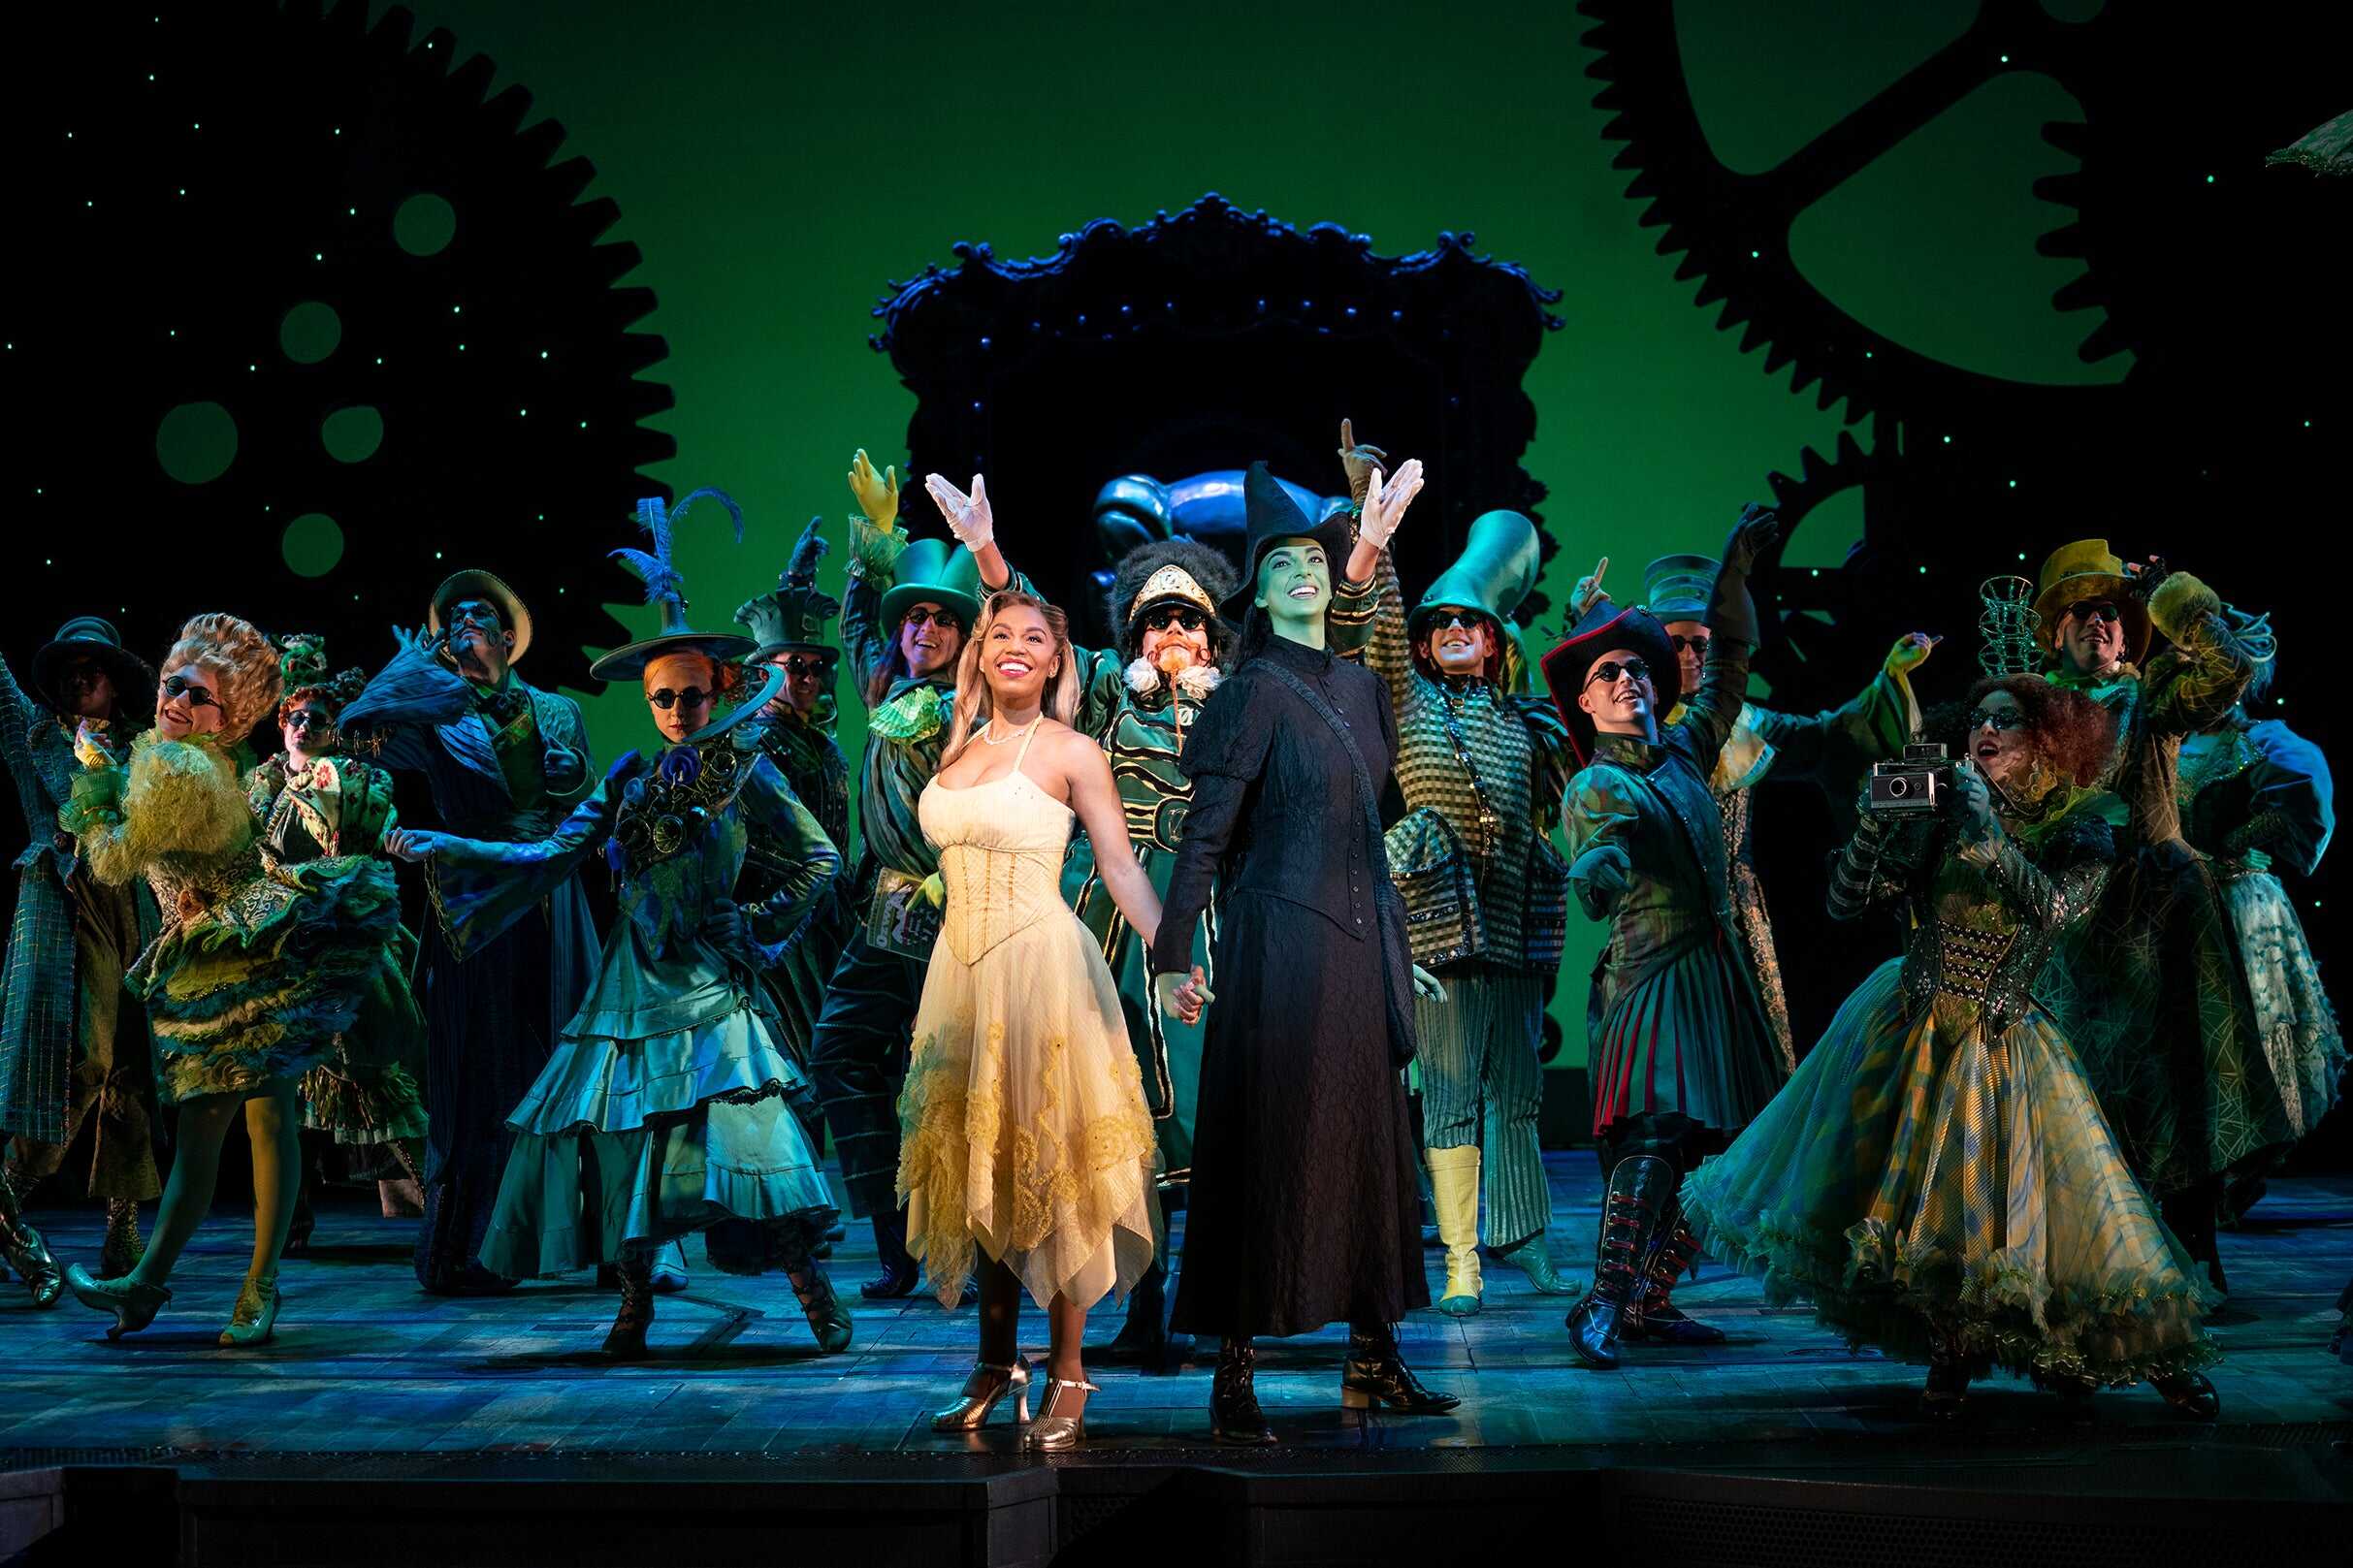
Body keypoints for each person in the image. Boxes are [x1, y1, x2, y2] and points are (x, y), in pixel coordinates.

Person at [1679, 674, 2221, 1418]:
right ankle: (1949, 1348)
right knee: (1907, 1201)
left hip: (2000, 1037)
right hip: (1911, 1020)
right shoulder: (1935, 812)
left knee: (2046, 1211)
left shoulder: (2080, 827)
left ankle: (2155, 1356)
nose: (1986, 731)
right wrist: (1873, 826)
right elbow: (1843, 902)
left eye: (2008, 721)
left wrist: (1988, 830)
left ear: (2048, 743)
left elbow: (2054, 909)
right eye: (1979, 720)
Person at [387, 491, 852, 1358]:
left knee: (748, 1135)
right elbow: (550, 849)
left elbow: (818, 858)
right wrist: (445, 842)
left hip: (709, 982)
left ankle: (808, 1286)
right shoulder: (632, 778)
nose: (676, 710)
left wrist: (758, 925)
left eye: (691, 695)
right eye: (662, 697)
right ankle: (633, 1305)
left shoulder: (745, 770)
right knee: (629, 1145)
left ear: (719, 691)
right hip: (630, 988)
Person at [1149, 462, 1459, 1445]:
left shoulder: (1362, 689)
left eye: (1313, 562)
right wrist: (1171, 953)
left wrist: (1394, 939)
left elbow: (1369, 828)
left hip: (1359, 947)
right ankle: (1233, 1372)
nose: (1301, 573)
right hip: (1276, 949)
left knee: (1369, 1145)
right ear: (1260, 590)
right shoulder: (1249, 692)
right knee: (1265, 1142)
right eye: (1281, 563)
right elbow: (1205, 835)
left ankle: (1373, 1356)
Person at [59, 615, 400, 1345]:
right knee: (223, 1128)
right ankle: (169, 1284)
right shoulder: (177, 756)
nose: (175, 699)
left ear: (227, 715)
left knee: (250, 1122)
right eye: (171, 684)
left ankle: (231, 1286)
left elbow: (113, 858)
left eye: (197, 694)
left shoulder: (181, 769)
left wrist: (92, 778)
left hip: (246, 951)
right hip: (226, 946)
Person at [897, 587, 1178, 1451]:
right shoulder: (956, 744)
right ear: (979, 653)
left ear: (1057, 659)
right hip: (960, 977)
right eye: (999, 635)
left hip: (1042, 971)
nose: (1014, 647)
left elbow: (1121, 867)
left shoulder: (1071, 750)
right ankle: (994, 1362)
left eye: (1034, 637)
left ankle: (1069, 1368)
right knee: (980, 1165)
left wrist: (1171, 954)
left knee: (1052, 1169)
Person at [1328, 431, 1577, 1316]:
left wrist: (1581, 631)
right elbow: (1381, 628)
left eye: (1472, 622)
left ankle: (1526, 1235)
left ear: (1497, 641)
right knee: (1450, 1097)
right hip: (1439, 928)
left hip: (1513, 930)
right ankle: (1463, 1256)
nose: (1456, 632)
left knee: (1520, 1094)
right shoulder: (1408, 699)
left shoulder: (1524, 721)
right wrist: (1374, 519)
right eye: (1443, 626)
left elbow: (1572, 771)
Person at [1538, 505, 1783, 1370]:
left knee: (1735, 1150)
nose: (1627, 679)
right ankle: (1603, 1299)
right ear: (1585, 700)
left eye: (1638, 668)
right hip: (1652, 977)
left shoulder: (1684, 751)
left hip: (1715, 975)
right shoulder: (1597, 785)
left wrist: (1734, 573)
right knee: (1657, 1133)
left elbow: (1730, 667)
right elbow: (1598, 860)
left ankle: (1648, 1296)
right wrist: (1597, 871)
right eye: (1607, 672)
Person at [339, 567, 601, 1296]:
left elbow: (582, 800)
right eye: (451, 621)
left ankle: (596, 1240)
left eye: (478, 618)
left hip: (548, 895)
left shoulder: (555, 711)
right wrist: (410, 670)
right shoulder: (436, 717)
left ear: (509, 637)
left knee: (564, 1054)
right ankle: (474, 1247)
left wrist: (570, 774)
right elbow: (356, 734)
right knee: (478, 1069)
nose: (463, 629)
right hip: (472, 900)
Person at [810, 452, 1028, 1299]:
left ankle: (973, 1249)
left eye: (941, 618)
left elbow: (1022, 621)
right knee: (840, 1052)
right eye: (915, 617)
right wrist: (874, 538)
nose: (924, 629)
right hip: (883, 918)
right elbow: (855, 625)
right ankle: (893, 1239)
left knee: (955, 1080)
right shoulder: (883, 688)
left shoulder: (981, 701)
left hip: (958, 915)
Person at [2030, 543, 2265, 1291]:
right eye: (2080, 612)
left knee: (2176, 1082)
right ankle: (2087, 1255)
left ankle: (2192, 1250)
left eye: (2110, 612)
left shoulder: (2154, 692)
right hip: (2068, 922)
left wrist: (2177, 600)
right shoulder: (2027, 706)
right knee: (2076, 1088)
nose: (2098, 622)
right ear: (2055, 633)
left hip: (2159, 910)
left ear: (2129, 633)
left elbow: (2229, 670)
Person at [1, 619, 161, 1304]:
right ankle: (8, 1203)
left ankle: (122, 1230)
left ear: (115, 682)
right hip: (70, 901)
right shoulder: (37, 733)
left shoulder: (145, 746)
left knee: (132, 1068)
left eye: (91, 667)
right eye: (68, 669)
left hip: (136, 906)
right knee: (79, 1063)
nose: (78, 677)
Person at [245, 635, 427, 1233]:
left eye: (316, 719)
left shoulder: (350, 778)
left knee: (370, 1066)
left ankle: (434, 1196)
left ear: (333, 728)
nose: (303, 727)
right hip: (281, 944)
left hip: (344, 934)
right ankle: (288, 1214)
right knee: (285, 1082)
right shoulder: (261, 784)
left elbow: (362, 845)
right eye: (294, 717)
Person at [2174, 658, 2341, 1222]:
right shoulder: (2166, 737)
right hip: (2174, 900)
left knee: (2244, 1038)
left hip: (2238, 901)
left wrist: (2235, 839)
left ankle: (2233, 1173)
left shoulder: (2260, 739)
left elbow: (2303, 795)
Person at [734, 519, 856, 1164]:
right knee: (785, 1069)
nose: (808, 677)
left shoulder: (823, 745)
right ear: (762, 672)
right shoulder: (751, 744)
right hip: (777, 931)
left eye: (815, 666)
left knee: (821, 1062)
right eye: (794, 666)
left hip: (826, 927)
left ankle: (808, 1202)